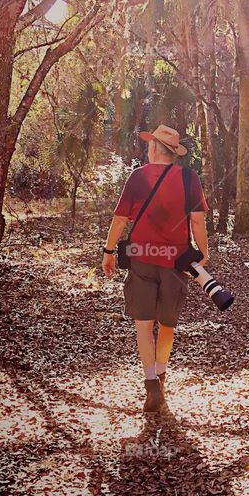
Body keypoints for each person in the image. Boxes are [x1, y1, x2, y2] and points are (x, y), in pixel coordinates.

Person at [102, 125, 209, 413]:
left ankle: (150, 382)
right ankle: (161, 374)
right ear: (173, 154)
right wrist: (204, 251)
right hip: (176, 262)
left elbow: (120, 219)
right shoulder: (189, 178)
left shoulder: (138, 176)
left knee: (143, 324)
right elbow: (197, 221)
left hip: (141, 259)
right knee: (167, 324)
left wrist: (109, 251)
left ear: (152, 149)